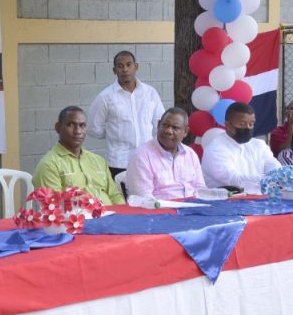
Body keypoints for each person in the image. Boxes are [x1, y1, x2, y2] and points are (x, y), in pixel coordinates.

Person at [86, 50, 165, 178]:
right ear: (114, 70)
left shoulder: (150, 93)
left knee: (148, 197)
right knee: (121, 197)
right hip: (119, 162)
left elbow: (160, 122)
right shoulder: (105, 97)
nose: (125, 70)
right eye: (120, 66)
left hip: (148, 159)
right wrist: (113, 133)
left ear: (136, 66)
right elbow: (93, 128)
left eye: (129, 65)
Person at [32, 105, 125, 204]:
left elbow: (114, 195)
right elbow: (54, 206)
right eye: (71, 125)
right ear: (58, 128)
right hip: (78, 218)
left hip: (112, 216)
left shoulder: (98, 161)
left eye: (82, 125)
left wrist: (121, 216)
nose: (78, 131)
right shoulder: (49, 165)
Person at [124, 107, 206, 200]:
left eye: (175, 128)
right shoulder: (142, 156)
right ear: (158, 125)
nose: (169, 131)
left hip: (193, 209)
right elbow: (144, 198)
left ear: (185, 132)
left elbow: (201, 189)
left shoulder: (190, 154)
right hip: (160, 211)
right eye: (165, 125)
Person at [201, 101, 281, 194]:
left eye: (251, 124)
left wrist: (280, 175)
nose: (248, 128)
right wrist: (268, 179)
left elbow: (273, 166)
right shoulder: (215, 149)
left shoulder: (259, 145)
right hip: (227, 203)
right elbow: (235, 180)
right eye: (242, 124)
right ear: (228, 125)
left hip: (260, 200)